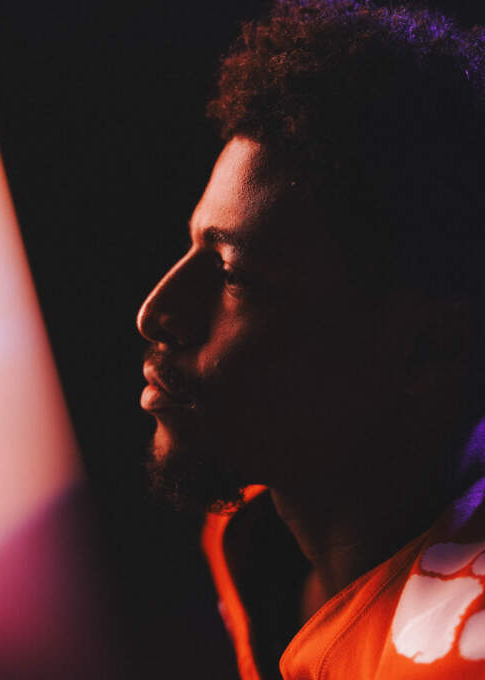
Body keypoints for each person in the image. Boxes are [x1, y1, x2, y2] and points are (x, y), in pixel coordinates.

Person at [136, 1, 485, 677]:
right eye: (193, 247)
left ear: (425, 348)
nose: (154, 312)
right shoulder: (261, 527)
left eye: (231, 274)